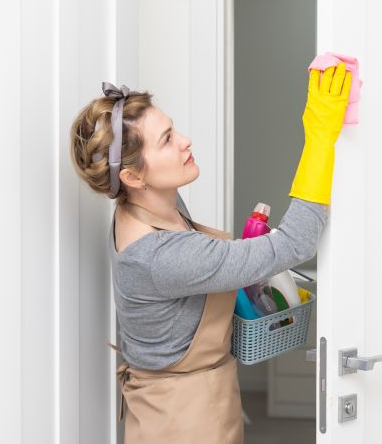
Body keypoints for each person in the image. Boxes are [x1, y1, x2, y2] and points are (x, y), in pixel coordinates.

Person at [69, 61, 352, 443]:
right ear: (133, 177)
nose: (185, 140)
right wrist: (320, 136)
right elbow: (294, 244)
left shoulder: (144, 206)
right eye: (167, 139)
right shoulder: (162, 255)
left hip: (181, 405)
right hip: (185, 423)